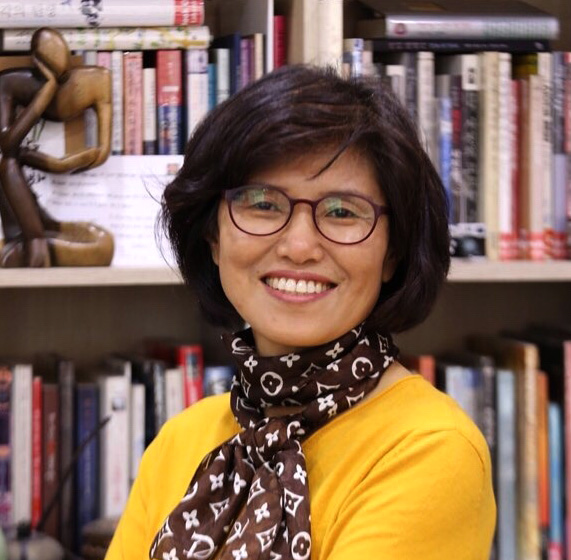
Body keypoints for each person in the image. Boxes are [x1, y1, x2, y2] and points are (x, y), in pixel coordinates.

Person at [105, 65, 495, 560]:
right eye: (262, 204)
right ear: (213, 236)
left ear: (392, 252)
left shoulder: (431, 448)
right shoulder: (181, 440)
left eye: (342, 212)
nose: (299, 246)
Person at [0, 27, 111, 267]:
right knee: (7, 164)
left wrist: (55, 163)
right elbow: (7, 145)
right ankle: (33, 247)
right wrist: (45, 93)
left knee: (104, 244)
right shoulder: (9, 82)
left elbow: (102, 153)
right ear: (37, 61)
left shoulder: (99, 79)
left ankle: (32, 244)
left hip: (30, 171)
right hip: (12, 174)